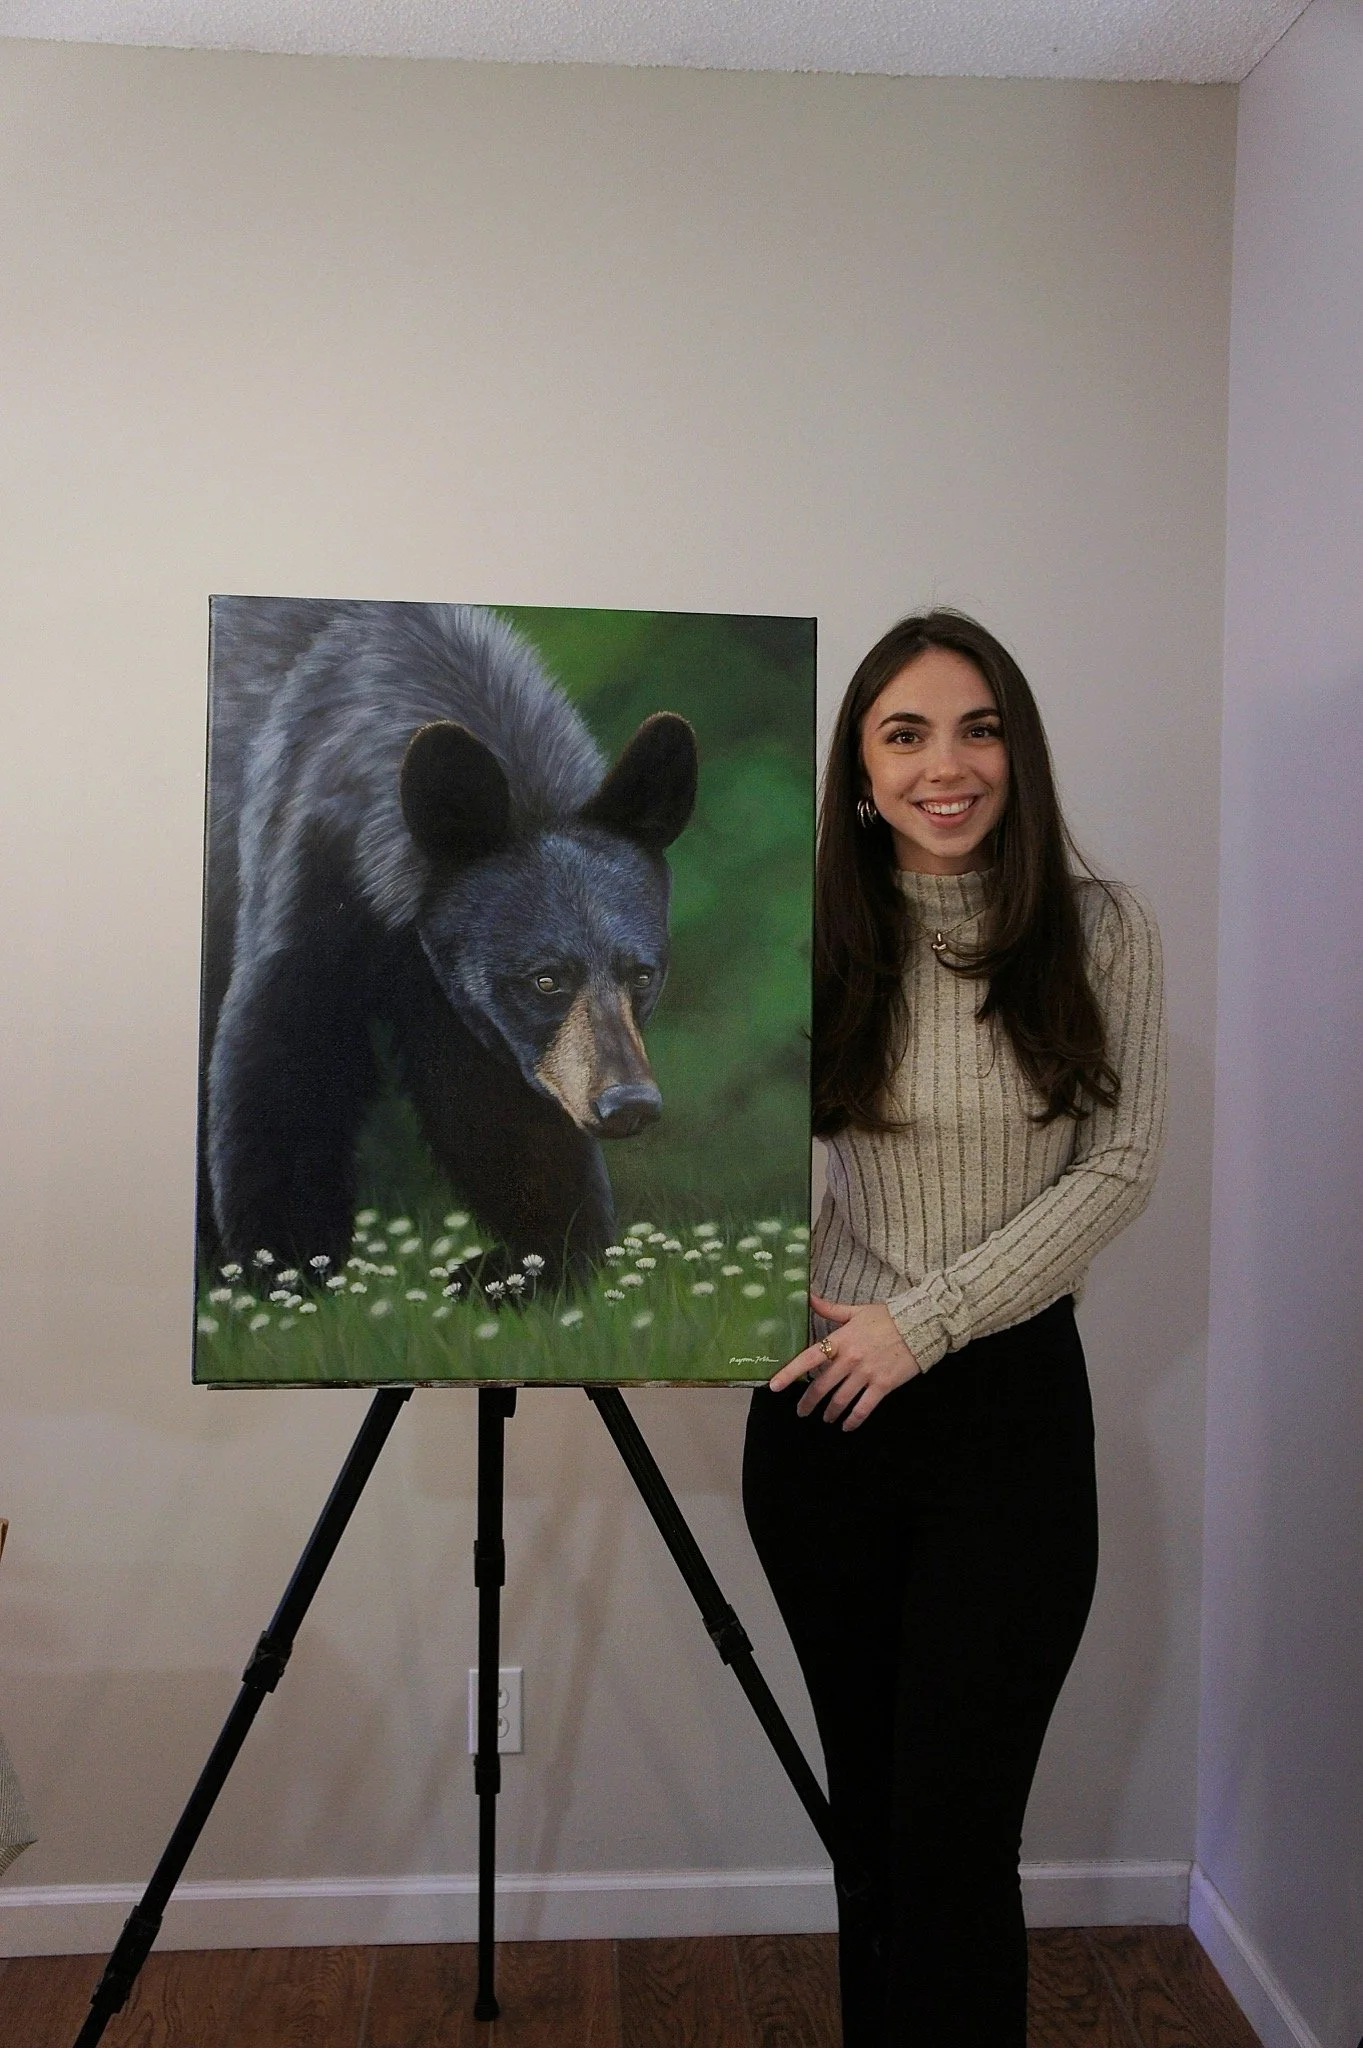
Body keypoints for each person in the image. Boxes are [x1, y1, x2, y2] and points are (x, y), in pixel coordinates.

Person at [742, 610, 1167, 2047]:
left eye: (977, 727)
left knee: (953, 1838)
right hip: (821, 1422)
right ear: (858, 773)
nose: (946, 764)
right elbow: (722, 1140)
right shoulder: (806, 939)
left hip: (1006, 1423)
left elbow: (1116, 1168)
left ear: (1017, 750)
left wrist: (921, 1325)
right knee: (871, 1831)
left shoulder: (1100, 933)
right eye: (903, 733)